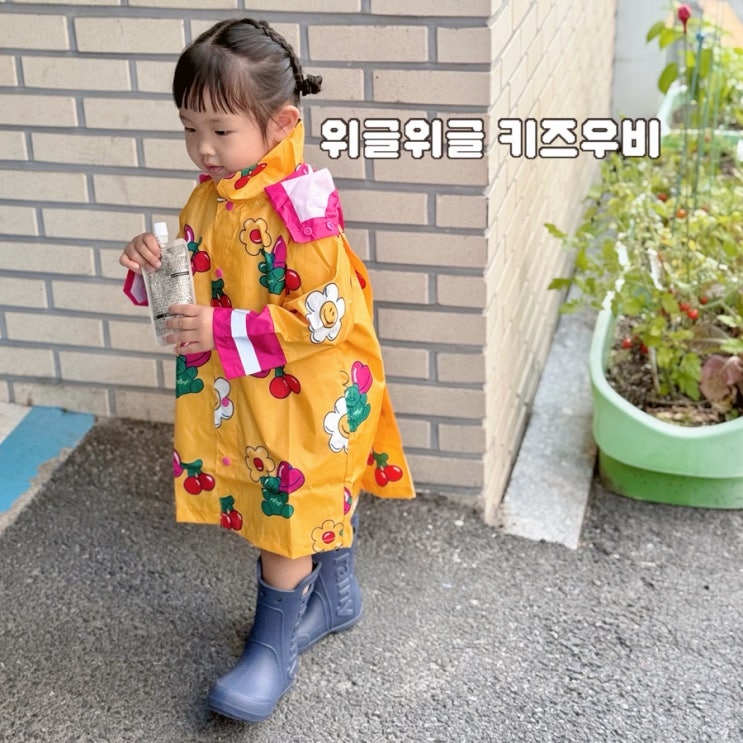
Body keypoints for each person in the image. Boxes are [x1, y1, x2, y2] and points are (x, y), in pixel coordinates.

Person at [119, 18, 415, 723]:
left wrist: (220, 328)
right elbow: (193, 283)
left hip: (306, 389)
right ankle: (334, 598)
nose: (203, 148)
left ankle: (273, 648)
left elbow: (325, 315)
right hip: (252, 385)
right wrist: (152, 269)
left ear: (279, 123)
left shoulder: (297, 206)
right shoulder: (210, 194)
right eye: (189, 128)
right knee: (287, 498)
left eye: (220, 130)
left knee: (286, 511)